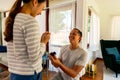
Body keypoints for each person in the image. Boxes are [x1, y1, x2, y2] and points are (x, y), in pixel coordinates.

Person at [4, 0, 50, 80]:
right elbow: (34, 58)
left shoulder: (14, 18)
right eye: (42, 8)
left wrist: (37, 43)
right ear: (35, 2)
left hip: (15, 73)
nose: (40, 13)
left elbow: (21, 47)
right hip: (29, 75)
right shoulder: (30, 21)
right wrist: (44, 42)